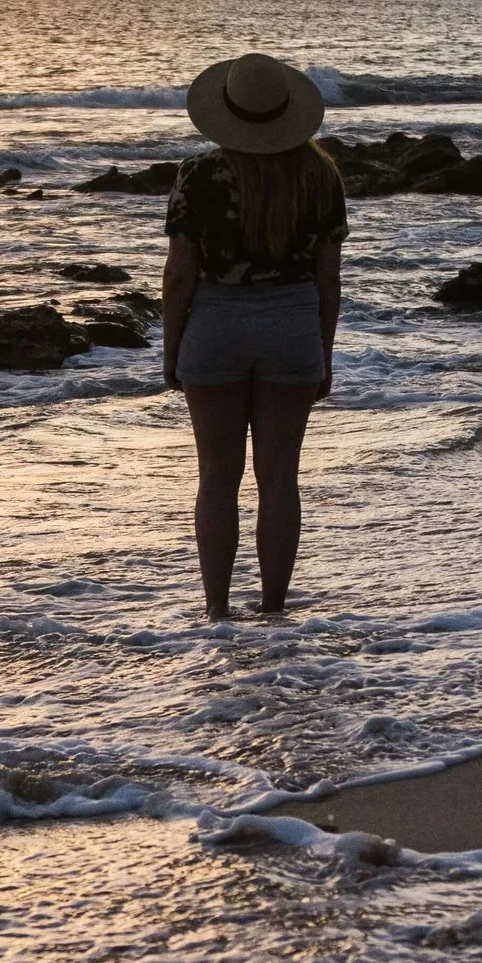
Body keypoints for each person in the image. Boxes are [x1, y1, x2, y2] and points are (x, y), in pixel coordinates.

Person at [160, 54, 346, 621]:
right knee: (280, 476)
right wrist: (324, 350)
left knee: (217, 474)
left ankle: (217, 609)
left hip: (215, 322)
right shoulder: (320, 176)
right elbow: (328, 277)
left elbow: (179, 274)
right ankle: (272, 607)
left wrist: (172, 351)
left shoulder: (199, 175)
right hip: (292, 322)